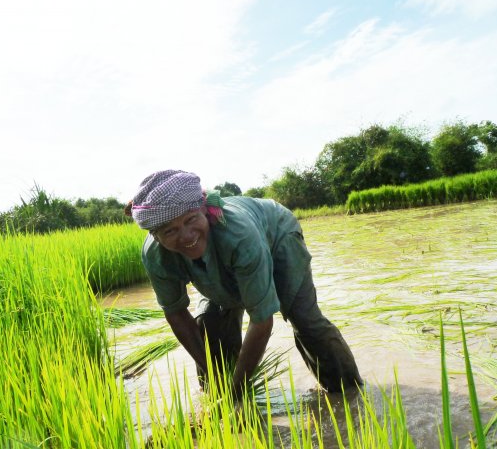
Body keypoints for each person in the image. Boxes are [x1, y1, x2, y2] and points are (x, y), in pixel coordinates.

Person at [125, 169, 362, 400]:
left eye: (191, 219)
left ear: (204, 211)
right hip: (227, 256)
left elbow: (261, 320)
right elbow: (175, 312)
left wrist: (236, 390)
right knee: (210, 324)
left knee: (304, 320)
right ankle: (216, 396)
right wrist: (213, 373)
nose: (186, 235)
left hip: (276, 235)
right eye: (171, 231)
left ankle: (349, 395)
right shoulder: (155, 255)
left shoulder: (239, 235)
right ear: (155, 236)